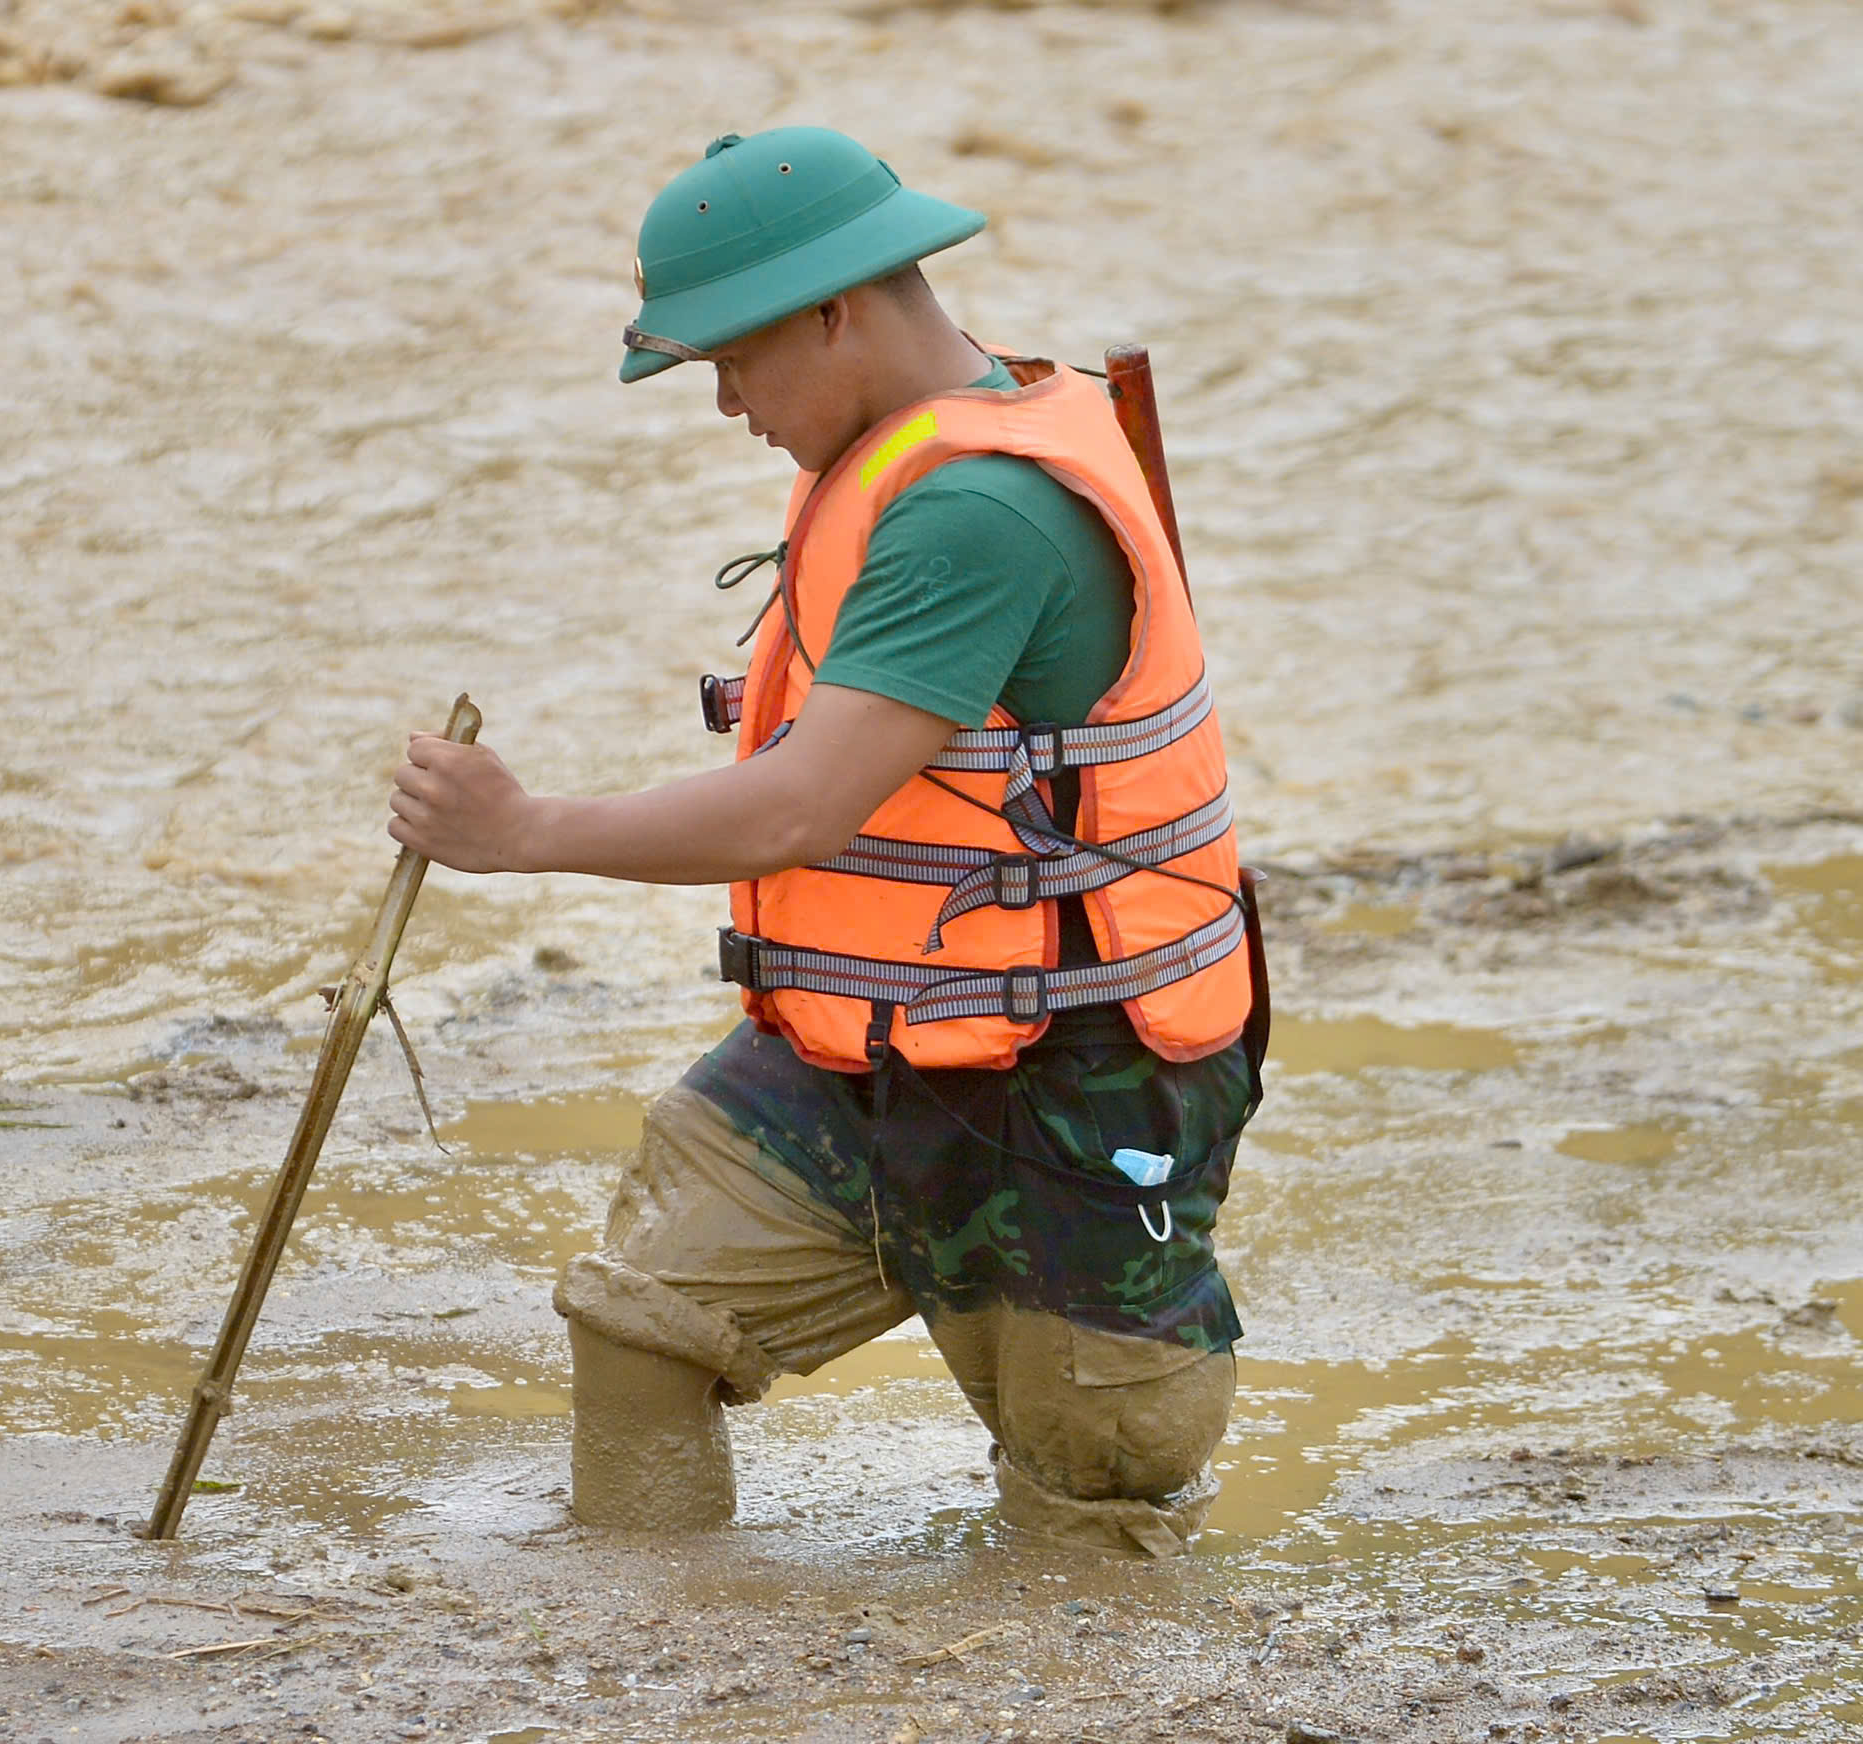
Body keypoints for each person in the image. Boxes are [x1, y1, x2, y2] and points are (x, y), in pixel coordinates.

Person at [386, 126, 1263, 1558]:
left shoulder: (980, 511)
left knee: (1095, 1489)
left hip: (1077, 1085)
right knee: (644, 1323)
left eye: (732, 360)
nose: (725, 402)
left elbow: (803, 805)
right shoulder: (932, 445)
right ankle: (655, 1662)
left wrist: (525, 830)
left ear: (835, 310)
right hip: (866, 1051)